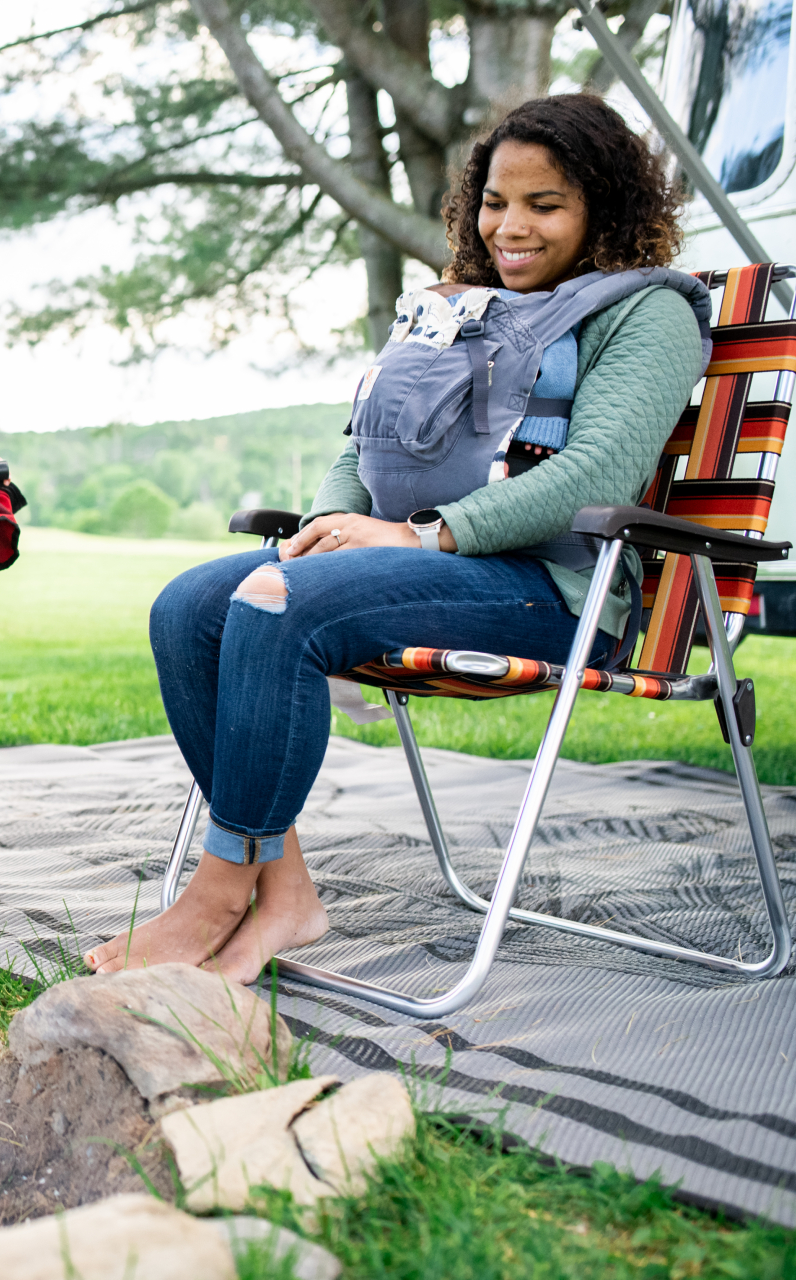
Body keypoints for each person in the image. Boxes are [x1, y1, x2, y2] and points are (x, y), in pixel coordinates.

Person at [87, 94, 708, 980]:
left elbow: (592, 479)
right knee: (189, 605)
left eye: (546, 204)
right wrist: (328, 530)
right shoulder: (459, 308)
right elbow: (363, 447)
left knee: (273, 604)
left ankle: (218, 893)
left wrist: (411, 538)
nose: (510, 226)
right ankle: (284, 892)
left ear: (602, 209)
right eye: (496, 200)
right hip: (415, 560)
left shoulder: (646, 314)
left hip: (550, 589)